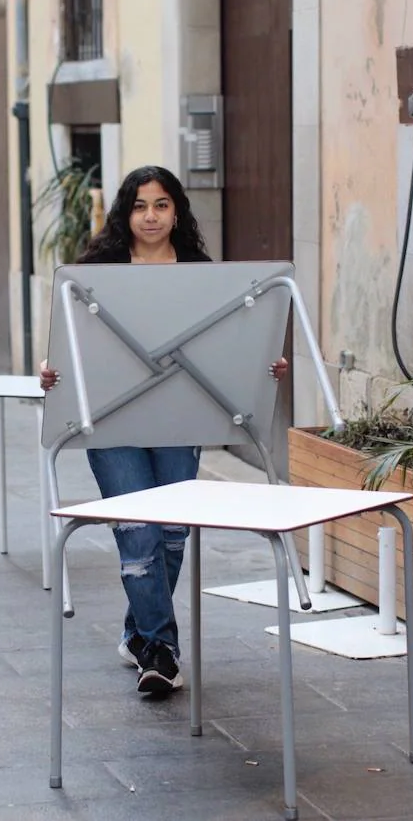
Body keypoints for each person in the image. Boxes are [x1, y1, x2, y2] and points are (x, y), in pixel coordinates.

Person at [38, 164, 287, 696]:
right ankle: (162, 650)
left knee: (172, 533)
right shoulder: (97, 271)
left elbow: (231, 344)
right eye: (139, 206)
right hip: (111, 418)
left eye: (161, 205)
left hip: (183, 416)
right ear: (125, 214)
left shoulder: (201, 272)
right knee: (138, 531)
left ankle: (137, 635)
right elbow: (70, 345)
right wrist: (50, 370)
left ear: (177, 212)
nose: (150, 216)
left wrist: (267, 362)